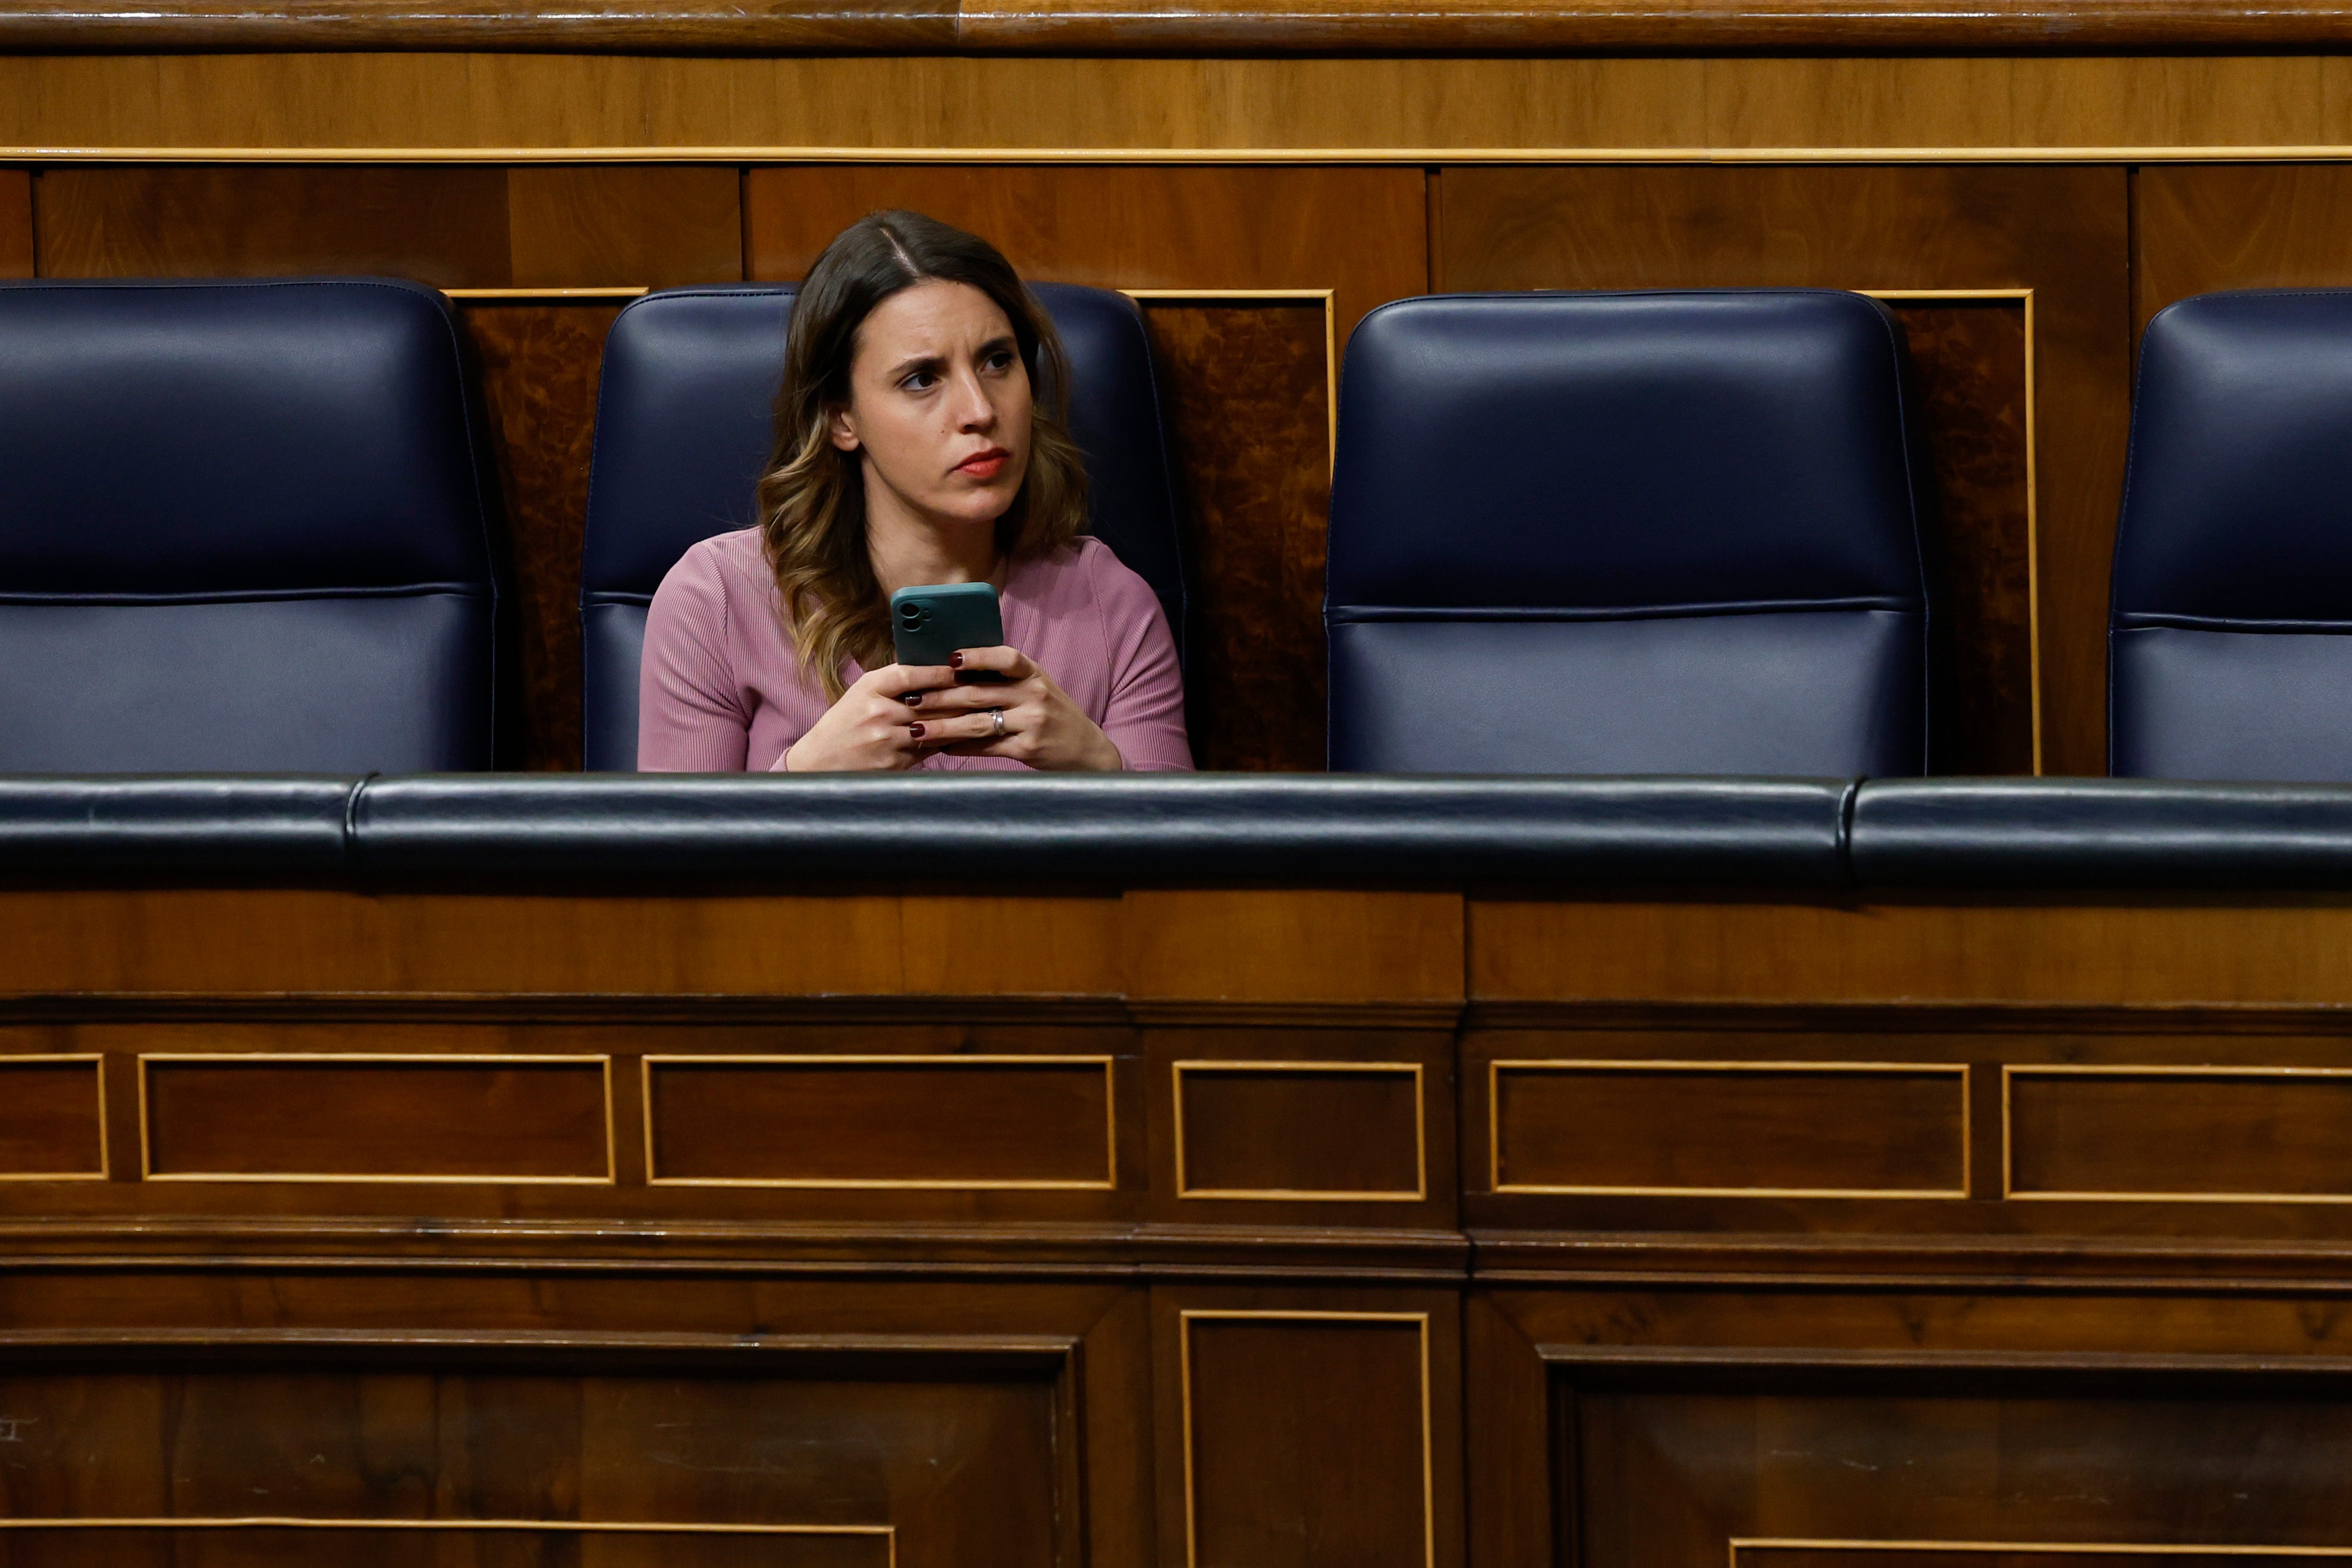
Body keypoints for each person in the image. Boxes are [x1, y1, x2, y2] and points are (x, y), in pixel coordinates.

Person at [636, 210, 1192, 773]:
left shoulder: (1113, 607)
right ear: (841, 418)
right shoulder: (713, 602)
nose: (980, 411)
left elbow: (1191, 859)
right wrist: (801, 782)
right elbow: (670, 859)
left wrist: (1103, 769)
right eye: (922, 379)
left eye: (998, 361)